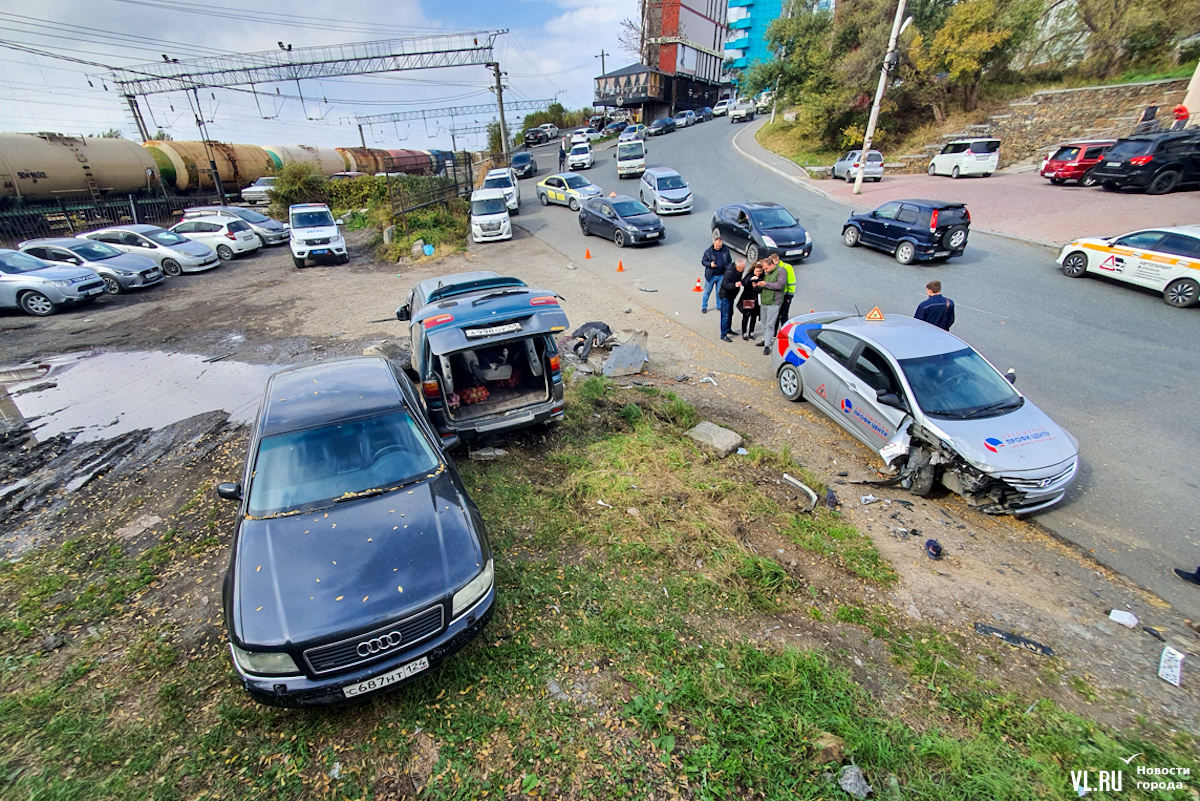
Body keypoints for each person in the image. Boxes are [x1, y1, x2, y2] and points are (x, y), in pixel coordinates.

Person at [755, 255, 788, 354]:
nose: (765, 271)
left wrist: (765, 284)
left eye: (766, 268)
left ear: (772, 265)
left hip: (774, 302)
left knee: (770, 325)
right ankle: (766, 340)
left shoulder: (781, 271)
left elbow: (780, 285)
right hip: (765, 301)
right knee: (764, 323)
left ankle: (767, 346)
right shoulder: (767, 273)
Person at [699, 235, 732, 314]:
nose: (718, 247)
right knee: (707, 292)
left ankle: (719, 305)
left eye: (719, 246)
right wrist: (710, 264)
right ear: (714, 243)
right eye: (717, 246)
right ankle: (704, 307)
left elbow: (729, 261)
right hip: (711, 275)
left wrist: (728, 270)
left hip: (721, 275)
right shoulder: (708, 252)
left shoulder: (725, 250)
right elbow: (703, 261)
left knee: (719, 291)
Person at [718, 258, 745, 342]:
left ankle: (728, 329)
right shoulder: (730, 273)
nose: (743, 269)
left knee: (730, 313)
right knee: (725, 315)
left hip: (731, 295)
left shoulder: (738, 271)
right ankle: (723, 334)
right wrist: (734, 285)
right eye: (742, 267)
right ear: (737, 267)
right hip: (726, 295)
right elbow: (724, 285)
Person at [738, 262, 765, 340]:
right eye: (757, 271)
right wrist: (751, 280)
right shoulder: (749, 275)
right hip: (748, 298)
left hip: (757, 300)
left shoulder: (763, 277)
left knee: (754, 316)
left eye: (760, 271)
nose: (758, 273)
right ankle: (744, 332)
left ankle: (751, 332)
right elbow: (744, 282)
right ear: (753, 270)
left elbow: (763, 287)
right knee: (746, 315)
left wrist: (758, 286)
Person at [777, 257, 797, 325]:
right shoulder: (774, 267)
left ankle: (784, 332)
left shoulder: (787, 267)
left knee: (783, 315)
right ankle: (774, 334)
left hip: (785, 295)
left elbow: (791, 282)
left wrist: (789, 295)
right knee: (776, 316)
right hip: (777, 296)